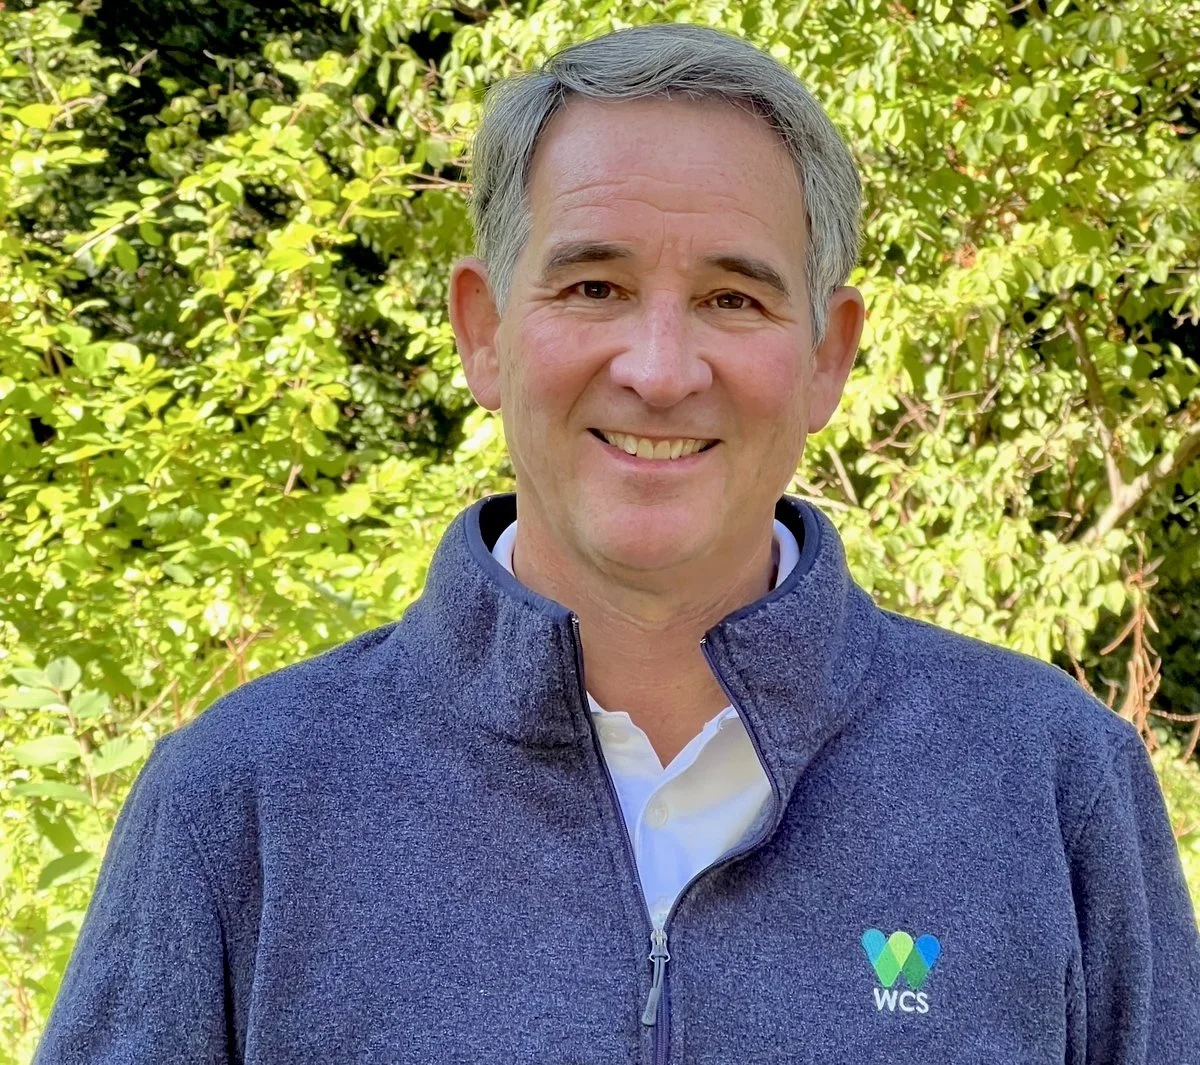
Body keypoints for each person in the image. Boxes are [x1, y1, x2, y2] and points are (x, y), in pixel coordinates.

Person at [34, 21, 1200, 1065]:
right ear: (484, 334)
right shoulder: (243, 803)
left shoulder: (1050, 785)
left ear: (827, 354)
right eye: (593, 286)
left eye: (733, 300)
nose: (657, 368)